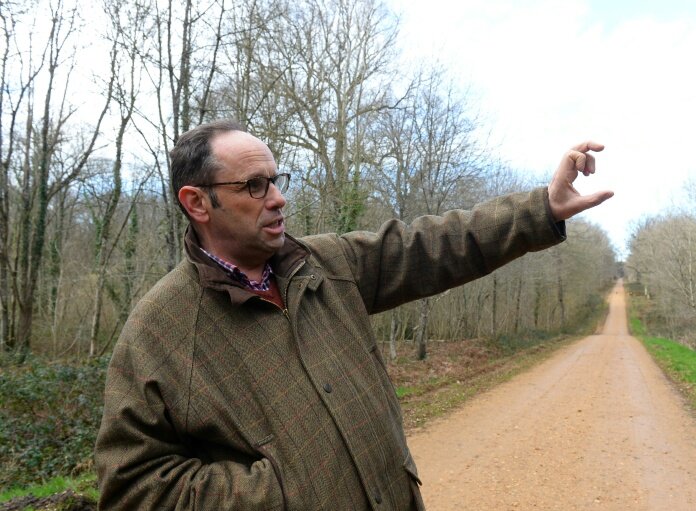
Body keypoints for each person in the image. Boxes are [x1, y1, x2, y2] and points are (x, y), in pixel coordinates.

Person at [94, 119, 613, 510]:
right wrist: (279, 491)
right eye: (254, 186)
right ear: (197, 203)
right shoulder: (161, 329)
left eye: (276, 180)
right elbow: (133, 486)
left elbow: (434, 245)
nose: (277, 199)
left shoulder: (326, 265)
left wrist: (541, 209)